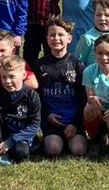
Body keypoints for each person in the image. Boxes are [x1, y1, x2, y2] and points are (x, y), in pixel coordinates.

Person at [33, 17, 87, 158]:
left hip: (73, 120)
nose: (56, 38)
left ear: (69, 38)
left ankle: (74, 138)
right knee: (53, 149)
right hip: (51, 120)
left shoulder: (77, 65)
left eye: (61, 35)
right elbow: (36, 97)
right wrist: (47, 115)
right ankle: (55, 139)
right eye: (52, 35)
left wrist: (75, 123)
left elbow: (83, 97)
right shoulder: (40, 65)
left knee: (79, 150)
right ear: (47, 38)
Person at [0, 55, 41, 166]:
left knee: (21, 153)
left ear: (23, 75)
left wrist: (10, 142)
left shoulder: (32, 96)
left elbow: (34, 125)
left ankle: (23, 147)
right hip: (2, 136)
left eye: (12, 76)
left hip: (21, 136)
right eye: (3, 77)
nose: (7, 81)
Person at [0, 31, 38, 106]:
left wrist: (9, 90)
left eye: (2, 50)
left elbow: (33, 83)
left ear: (13, 50)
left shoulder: (19, 65)